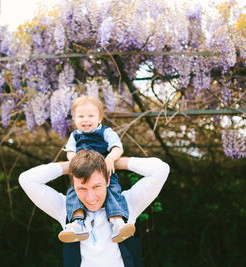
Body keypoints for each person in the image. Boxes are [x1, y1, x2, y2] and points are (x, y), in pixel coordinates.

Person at [19, 150, 170, 267]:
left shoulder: (127, 204)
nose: (90, 197)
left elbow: (161, 170)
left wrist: (113, 162)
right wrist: (69, 166)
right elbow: (27, 179)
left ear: (108, 180)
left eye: (96, 186)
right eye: (82, 189)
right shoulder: (67, 210)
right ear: (73, 186)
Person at [60, 95, 131, 243]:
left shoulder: (106, 132)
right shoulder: (74, 135)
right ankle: (76, 224)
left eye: (91, 116)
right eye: (81, 116)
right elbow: (70, 152)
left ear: (100, 118)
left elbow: (118, 147)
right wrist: (74, 162)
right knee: (74, 193)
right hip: (82, 174)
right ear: (74, 118)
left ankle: (117, 222)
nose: (86, 120)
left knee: (112, 191)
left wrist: (111, 158)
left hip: (104, 173)